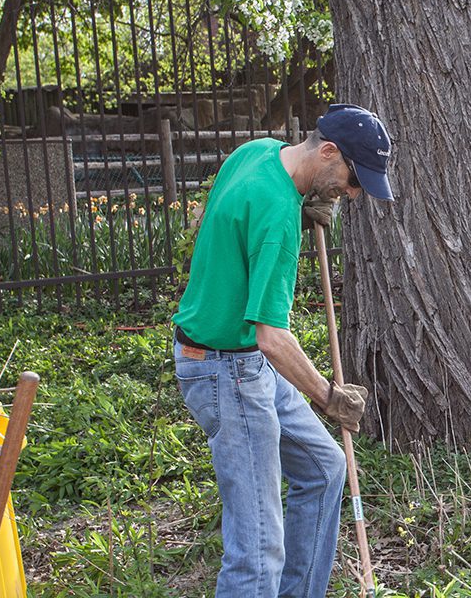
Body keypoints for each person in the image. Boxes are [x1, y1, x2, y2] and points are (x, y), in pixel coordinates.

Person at [171, 104, 394, 597]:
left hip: (239, 359)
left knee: (324, 468)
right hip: (225, 371)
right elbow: (270, 336)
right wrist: (328, 395)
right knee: (257, 548)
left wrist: (303, 200)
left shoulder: (258, 153)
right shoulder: (277, 219)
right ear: (329, 152)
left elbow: (225, 216)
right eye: (353, 180)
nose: (352, 194)